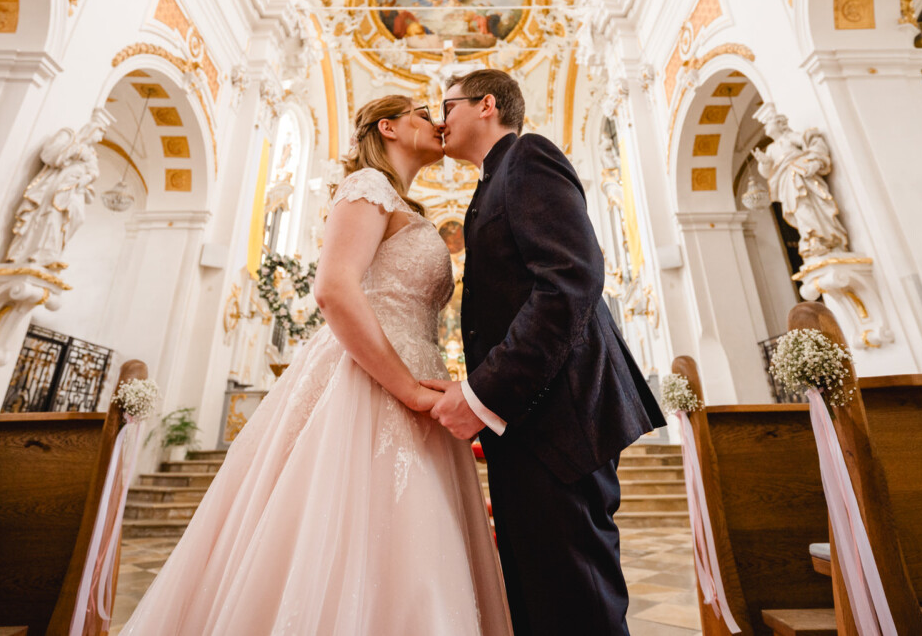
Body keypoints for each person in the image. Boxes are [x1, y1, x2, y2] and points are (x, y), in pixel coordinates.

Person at [120, 95, 511, 635]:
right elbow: (333, 290)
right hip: (373, 381)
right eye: (424, 112)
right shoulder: (367, 186)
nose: (438, 121)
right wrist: (410, 390)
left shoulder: (399, 203)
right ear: (389, 127)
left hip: (416, 372)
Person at [424, 69, 665, 636]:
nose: (441, 120)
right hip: (531, 417)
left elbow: (569, 281)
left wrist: (484, 392)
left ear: (487, 105)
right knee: (540, 587)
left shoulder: (527, 157)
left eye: (448, 106)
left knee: (575, 595)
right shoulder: (491, 183)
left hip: (560, 416)